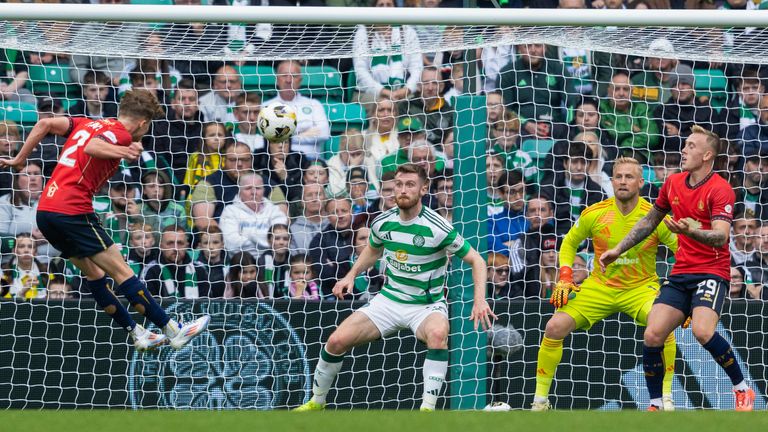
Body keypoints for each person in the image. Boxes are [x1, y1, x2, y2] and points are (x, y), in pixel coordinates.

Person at [0, 89, 210, 352]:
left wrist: (20, 159)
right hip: (71, 210)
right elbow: (92, 146)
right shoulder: (120, 134)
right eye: (148, 128)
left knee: (95, 274)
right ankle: (173, 329)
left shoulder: (86, 123)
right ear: (143, 123)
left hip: (46, 211)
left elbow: (45, 123)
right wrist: (123, 152)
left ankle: (138, 333)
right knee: (123, 273)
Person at [294, 163, 495, 412]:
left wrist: (479, 299)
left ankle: (427, 411)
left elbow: (477, 260)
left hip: (426, 305)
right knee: (335, 341)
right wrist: (350, 275)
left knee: (437, 335)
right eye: (398, 184)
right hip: (389, 300)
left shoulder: (438, 227)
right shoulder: (382, 222)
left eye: (410, 184)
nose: (402, 190)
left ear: (423, 189)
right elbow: (373, 249)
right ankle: (316, 402)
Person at [599, 126, 757, 411]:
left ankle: (742, 389)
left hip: (711, 271)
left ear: (707, 155)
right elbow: (649, 221)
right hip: (681, 272)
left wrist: (690, 231)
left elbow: (721, 236)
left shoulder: (720, 189)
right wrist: (618, 249)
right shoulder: (672, 183)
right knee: (652, 334)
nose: (684, 150)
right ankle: (656, 404)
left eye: (691, 145)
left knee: (702, 331)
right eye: (685, 144)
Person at [532, 157, 678, 411]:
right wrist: (565, 276)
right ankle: (540, 401)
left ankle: (665, 399)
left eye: (629, 177)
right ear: (611, 181)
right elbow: (568, 243)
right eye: (618, 176)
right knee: (554, 327)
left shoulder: (655, 217)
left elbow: (683, 252)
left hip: (641, 288)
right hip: (599, 286)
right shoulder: (595, 213)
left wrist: (679, 292)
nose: (623, 181)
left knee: (663, 328)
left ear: (641, 183)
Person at [264, 60, 331, 159]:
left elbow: (324, 134)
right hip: (279, 161)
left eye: (294, 76)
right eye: (284, 75)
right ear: (277, 80)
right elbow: (270, 136)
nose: (288, 80)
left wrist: (288, 134)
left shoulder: (314, 104)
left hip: (311, 163)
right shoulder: (266, 106)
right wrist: (305, 131)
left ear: (300, 80)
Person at [220, 172, 288, 259]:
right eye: (248, 188)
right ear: (240, 190)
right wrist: (267, 242)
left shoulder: (274, 211)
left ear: (263, 190)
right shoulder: (230, 211)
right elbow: (231, 245)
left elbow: (280, 240)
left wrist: (249, 234)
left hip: (270, 262)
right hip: (241, 264)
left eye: (258, 188)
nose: (253, 192)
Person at [142, 225, 218, 298]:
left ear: (187, 245)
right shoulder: (151, 270)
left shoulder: (199, 269)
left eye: (180, 243)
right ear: (161, 246)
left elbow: (205, 304)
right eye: (170, 243)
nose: (175, 248)